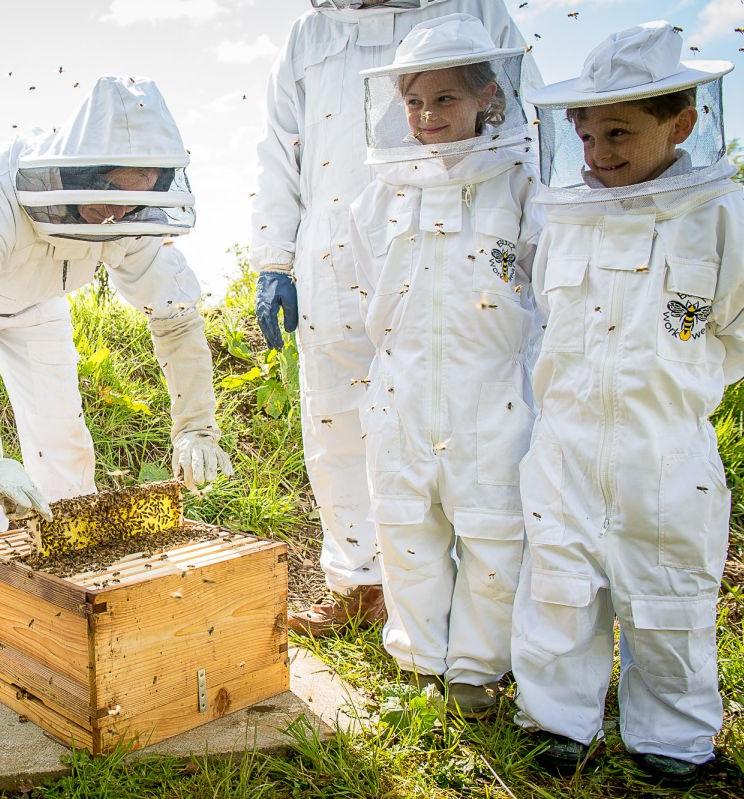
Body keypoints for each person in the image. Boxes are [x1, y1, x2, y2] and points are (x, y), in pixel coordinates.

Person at [253, 0, 535, 635]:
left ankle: (471, 602)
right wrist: (274, 257)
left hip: (460, 245)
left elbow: (529, 123)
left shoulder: (476, 9)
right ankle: (359, 582)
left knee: (466, 425)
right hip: (331, 248)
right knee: (337, 422)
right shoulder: (311, 31)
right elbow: (279, 145)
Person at [510, 21, 740, 787]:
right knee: (559, 590)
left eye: (619, 132)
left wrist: (683, 385)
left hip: (666, 452)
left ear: (682, 123)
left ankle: (673, 736)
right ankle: (555, 720)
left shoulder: (720, 218)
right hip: (565, 445)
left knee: (668, 593)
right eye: (586, 134)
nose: (599, 152)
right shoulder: (563, 218)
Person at [0, 75, 232, 575]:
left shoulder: (127, 216)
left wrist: (198, 427)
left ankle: (74, 576)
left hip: (39, 300)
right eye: (113, 193)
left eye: (136, 199)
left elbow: (175, 320)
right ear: (82, 172)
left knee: (63, 439)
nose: (118, 213)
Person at [349, 13, 540, 718]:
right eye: (414, 102)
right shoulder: (382, 194)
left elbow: (540, 290)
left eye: (445, 100)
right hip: (400, 390)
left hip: (491, 392)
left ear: (488, 96)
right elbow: (368, 284)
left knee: (493, 532)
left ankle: (478, 672)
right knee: (404, 526)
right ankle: (421, 663)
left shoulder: (519, 184)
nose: (427, 115)